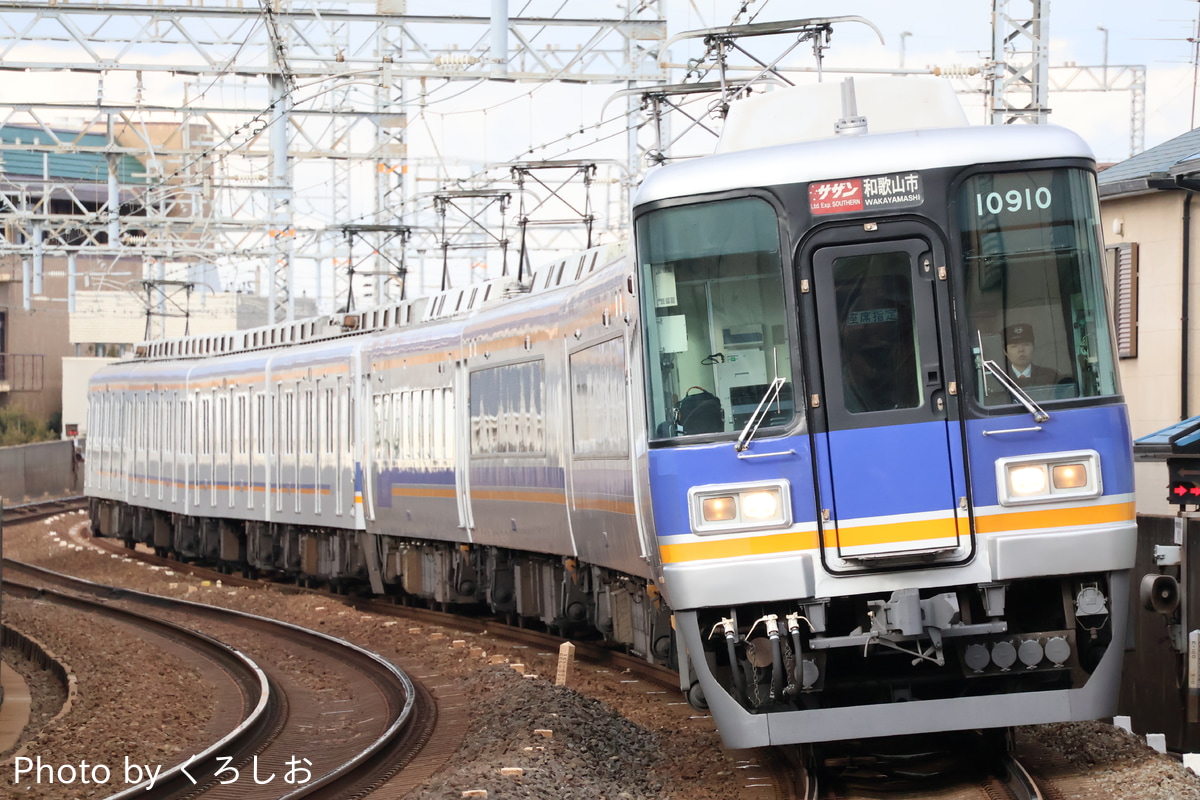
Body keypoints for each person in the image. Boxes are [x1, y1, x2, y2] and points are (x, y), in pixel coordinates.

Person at [1003, 323, 1062, 388]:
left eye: (1026, 344)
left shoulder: (1050, 376)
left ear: (1034, 347)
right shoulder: (1000, 378)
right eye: (1014, 346)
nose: (1021, 350)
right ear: (1005, 351)